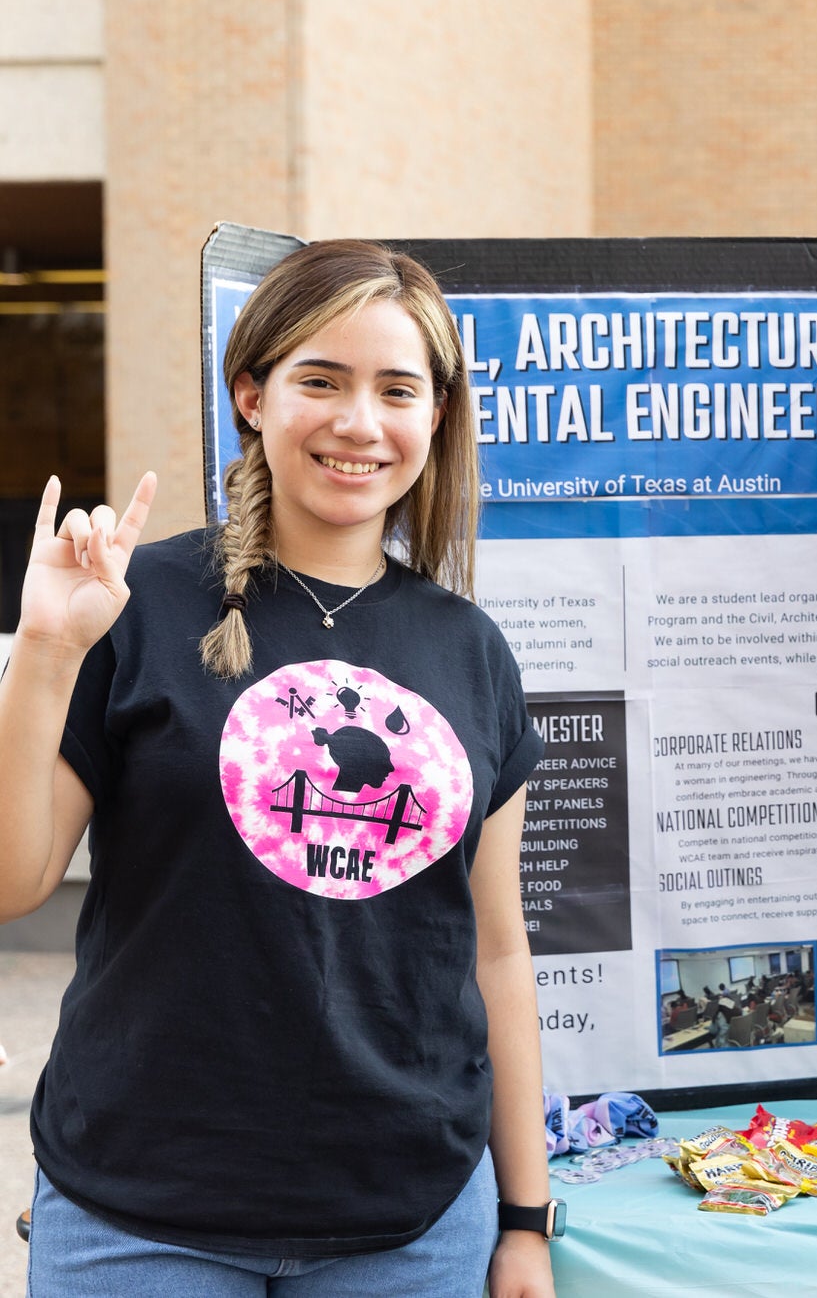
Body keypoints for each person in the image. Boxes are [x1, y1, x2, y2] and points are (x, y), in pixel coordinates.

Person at [0, 240, 556, 1295]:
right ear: (252, 396)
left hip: (410, 1226)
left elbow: (496, 952)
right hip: (138, 1212)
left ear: (436, 415)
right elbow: (10, 880)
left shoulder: (470, 651)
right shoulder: (137, 606)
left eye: (397, 389)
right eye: (322, 380)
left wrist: (525, 1217)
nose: (360, 422)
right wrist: (46, 650)